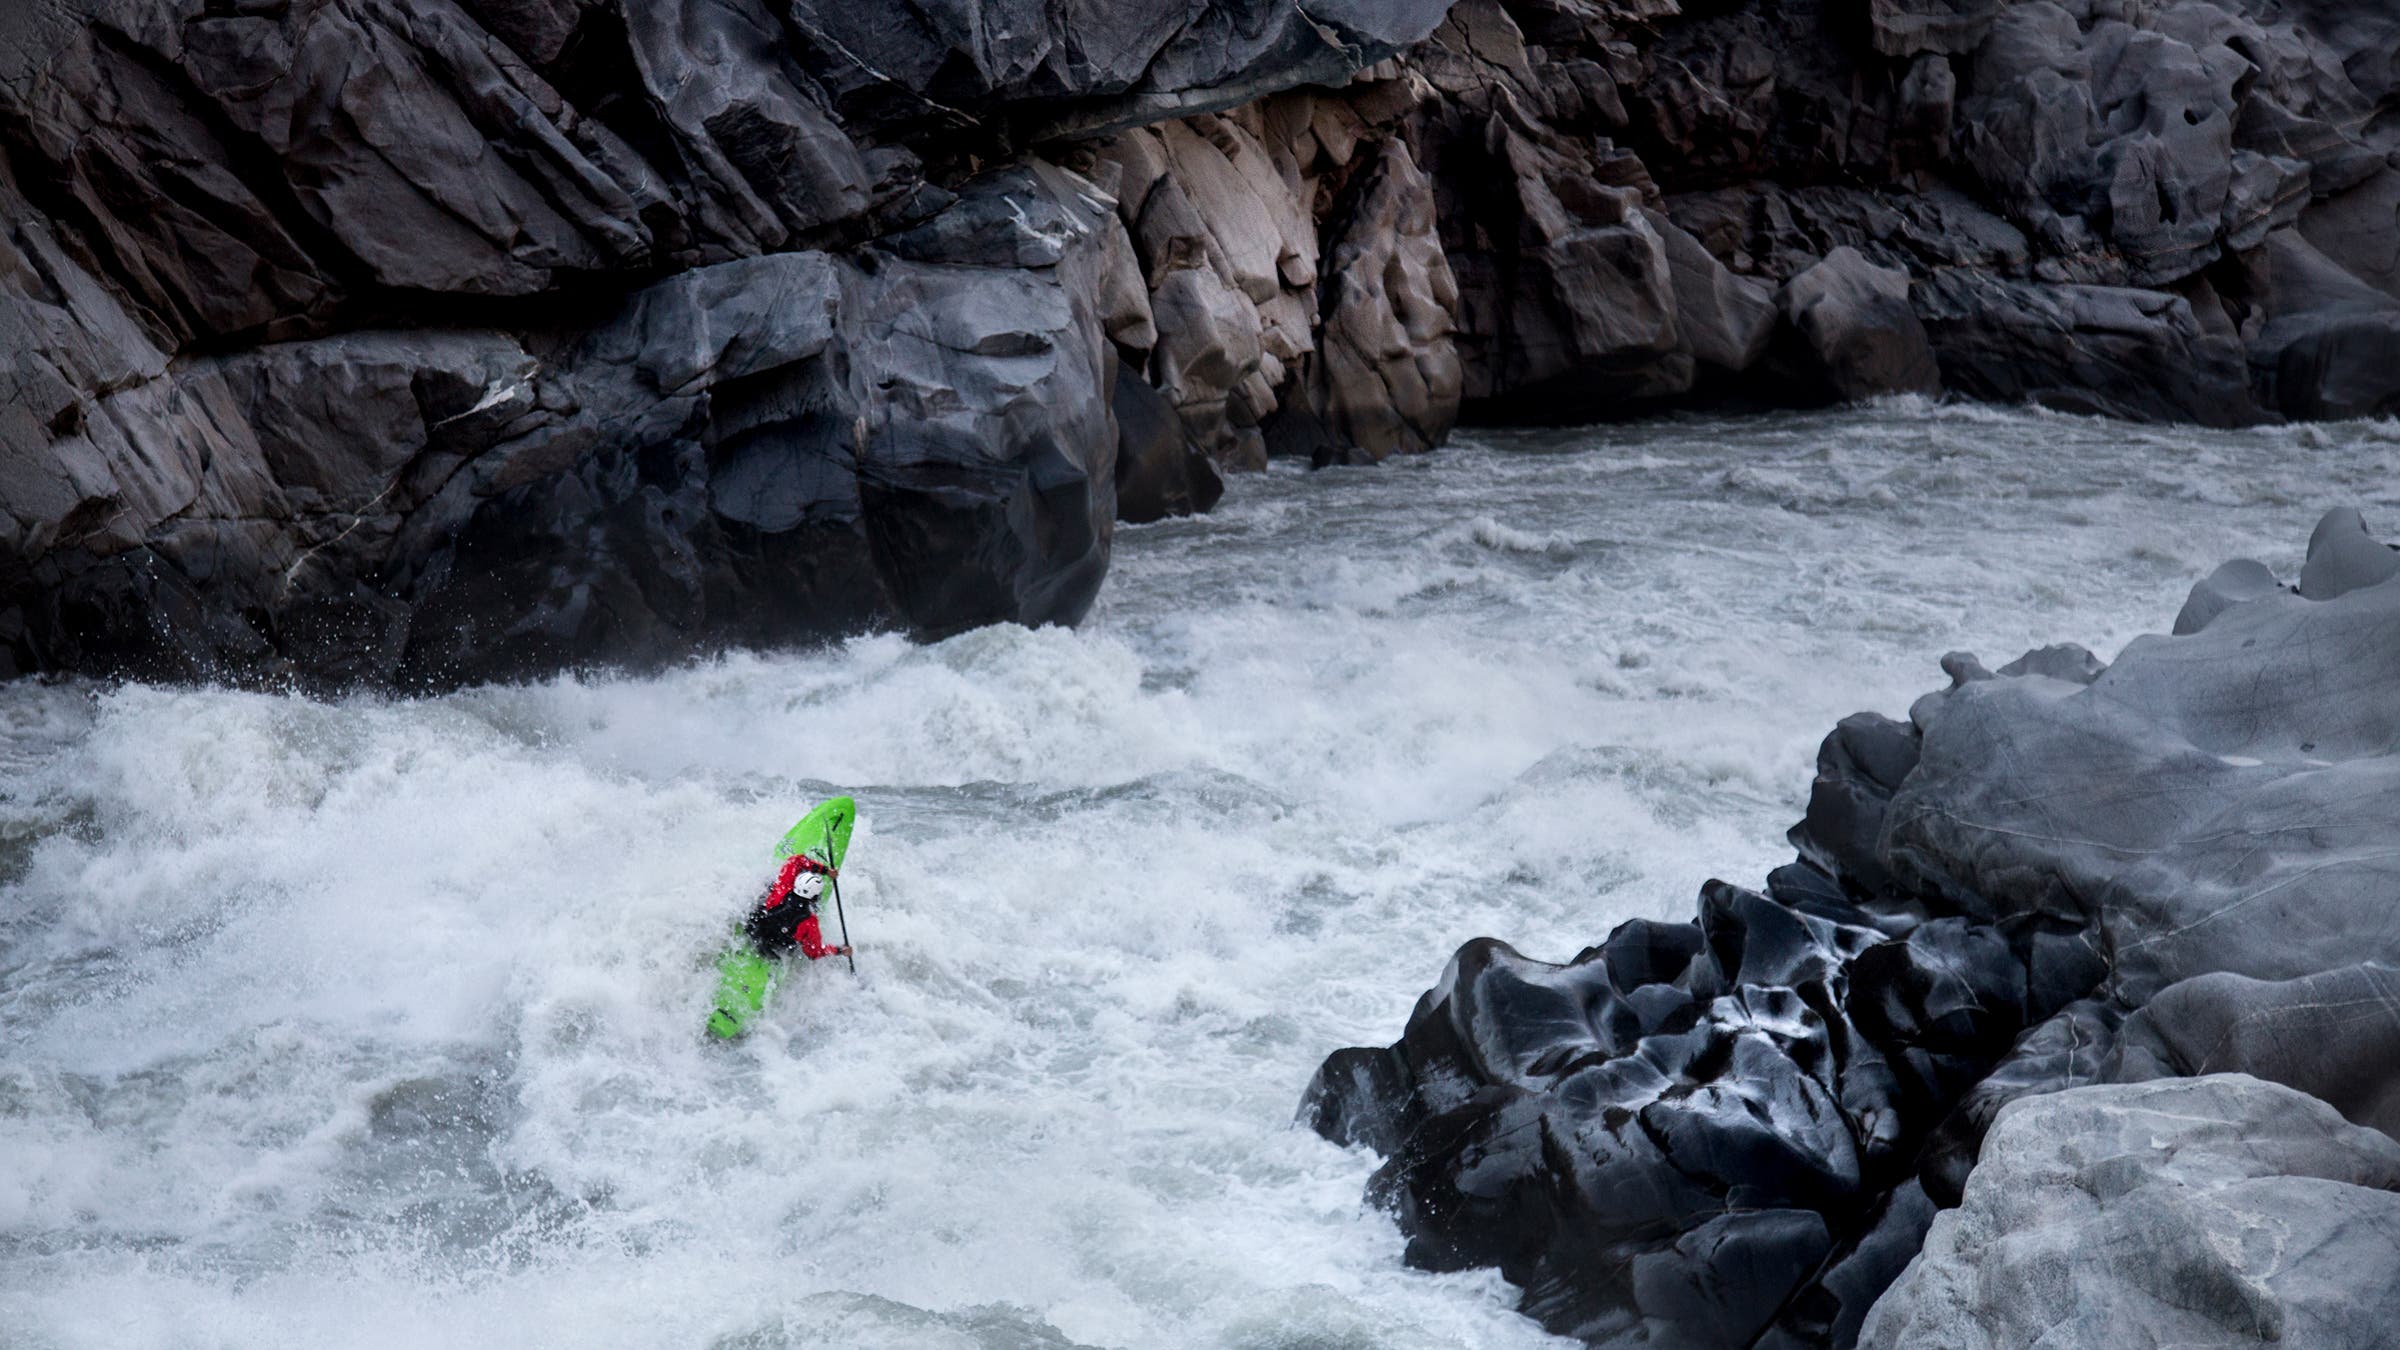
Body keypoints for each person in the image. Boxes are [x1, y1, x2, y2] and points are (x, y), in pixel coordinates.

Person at [743, 851, 853, 961]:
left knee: (769, 887)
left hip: (756, 927)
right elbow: (813, 953)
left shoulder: (783, 887)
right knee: (798, 937)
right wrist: (840, 950)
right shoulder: (810, 921)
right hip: (776, 945)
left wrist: (825, 870)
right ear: (814, 897)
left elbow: (796, 860)